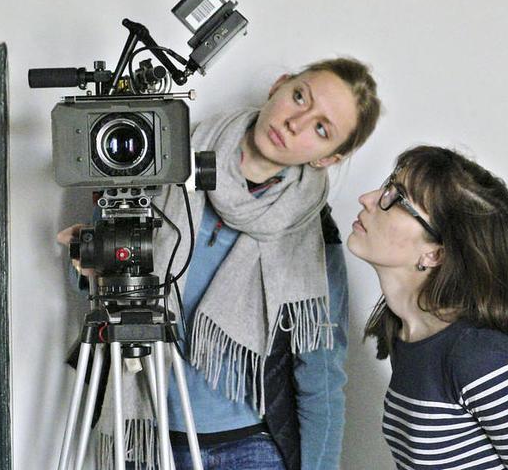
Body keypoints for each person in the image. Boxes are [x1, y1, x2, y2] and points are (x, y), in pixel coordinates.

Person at [58, 57, 381, 469]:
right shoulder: (159, 163)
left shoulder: (312, 234)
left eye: (321, 129)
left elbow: (321, 375)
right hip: (148, 438)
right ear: (279, 85)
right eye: (300, 97)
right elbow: (106, 291)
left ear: (327, 158)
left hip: (252, 449)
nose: (295, 122)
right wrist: (85, 270)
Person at [347, 146, 508, 469]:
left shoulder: (479, 359)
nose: (368, 199)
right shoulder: (407, 336)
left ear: (435, 254)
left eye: (396, 199)